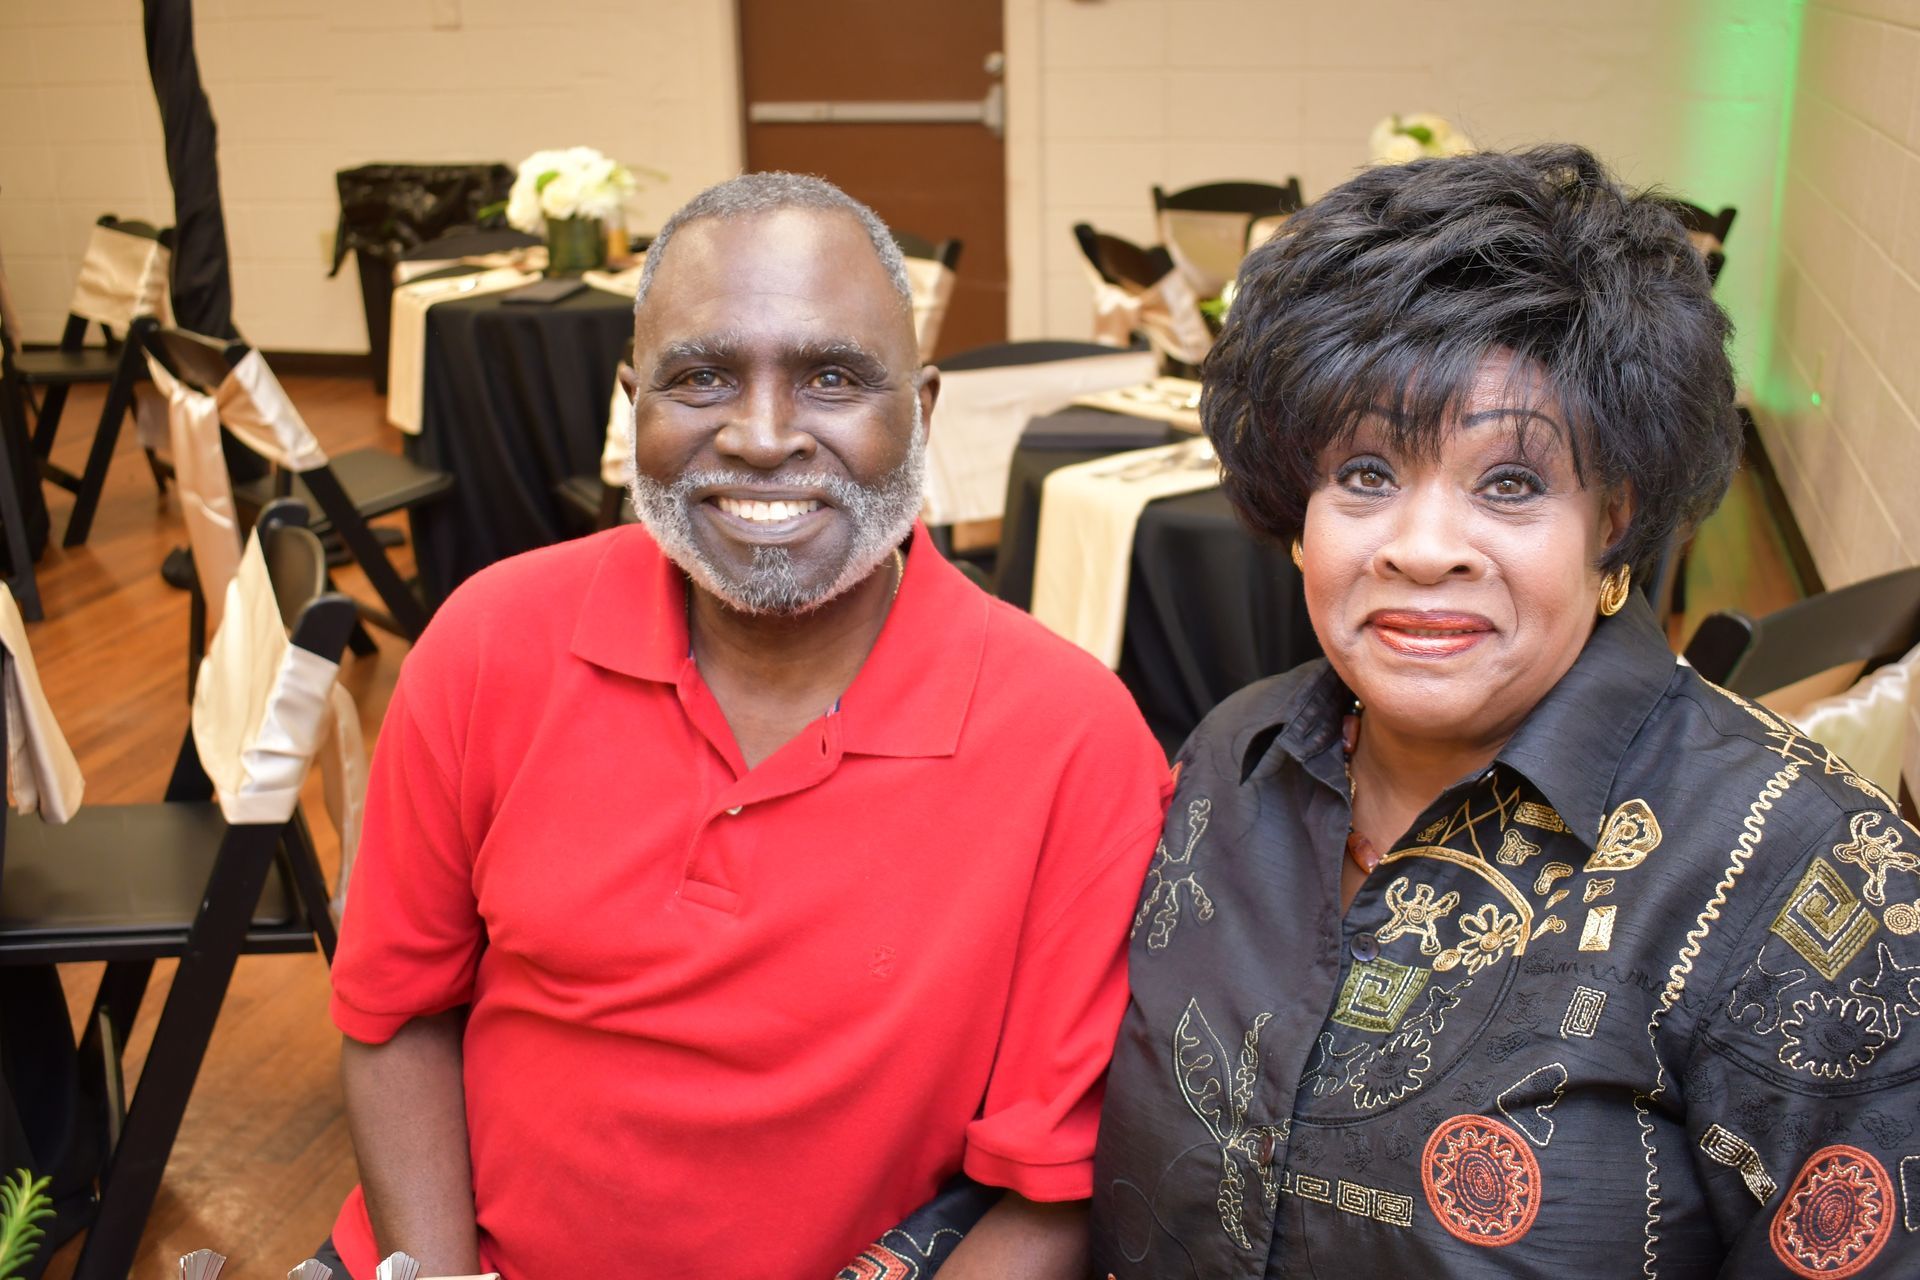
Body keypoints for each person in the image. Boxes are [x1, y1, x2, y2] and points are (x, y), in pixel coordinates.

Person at [1090, 145, 1920, 1278]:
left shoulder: (1808, 873)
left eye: (1511, 482)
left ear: (1614, 522)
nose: (1423, 549)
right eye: (1366, 474)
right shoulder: (1234, 753)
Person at [325, 173, 1169, 1279]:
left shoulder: (1074, 742)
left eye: (831, 377)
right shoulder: (489, 642)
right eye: (702, 377)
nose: (763, 437)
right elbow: (395, 1014)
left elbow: (1048, 1190)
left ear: (922, 412)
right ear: (633, 404)